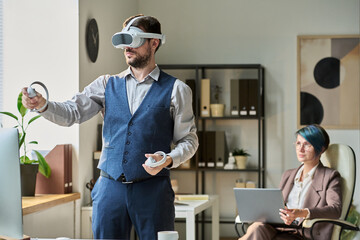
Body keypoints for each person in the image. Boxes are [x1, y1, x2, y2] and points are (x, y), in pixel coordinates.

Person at [22, 14, 198, 239]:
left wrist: (169, 159)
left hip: (153, 190)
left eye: (133, 40)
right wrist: (43, 105)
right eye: (124, 40)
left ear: (154, 43)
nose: (127, 47)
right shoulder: (106, 84)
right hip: (109, 189)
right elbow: (72, 112)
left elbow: (189, 140)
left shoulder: (177, 89)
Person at [240, 124, 342, 240]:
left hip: (304, 233)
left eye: (307, 144)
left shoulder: (330, 176)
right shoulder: (288, 175)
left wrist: (302, 213)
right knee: (256, 228)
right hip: (279, 227)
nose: (301, 149)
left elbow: (335, 209)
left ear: (321, 149)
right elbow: (278, 206)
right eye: (298, 143)